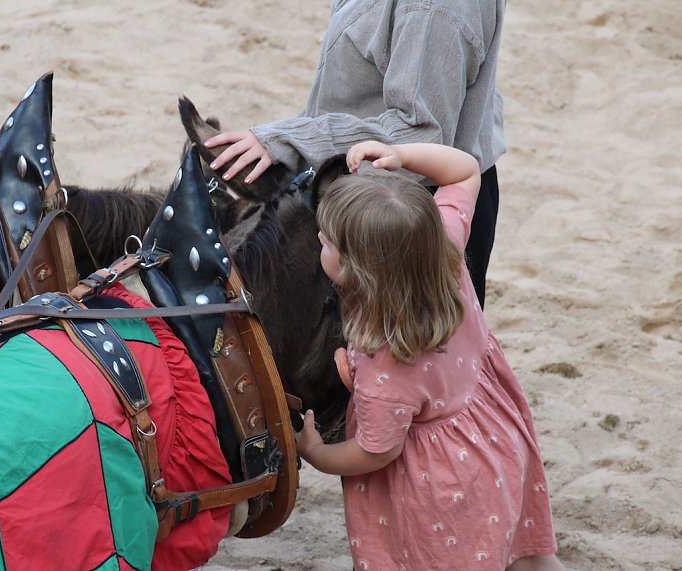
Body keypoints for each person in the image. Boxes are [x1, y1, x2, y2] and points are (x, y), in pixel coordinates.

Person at [295, 140, 564, 570]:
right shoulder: (442, 247)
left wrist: (317, 454)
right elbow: (464, 172)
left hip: (443, 487)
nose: (319, 241)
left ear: (354, 270)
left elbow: (376, 450)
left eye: (327, 243)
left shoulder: (384, 354)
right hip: (498, 439)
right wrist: (401, 155)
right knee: (527, 557)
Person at [204, 0, 506, 307]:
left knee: (396, 349)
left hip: (401, 215)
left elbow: (421, 131)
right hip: (370, 193)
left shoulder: (432, 9)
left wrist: (292, 140)